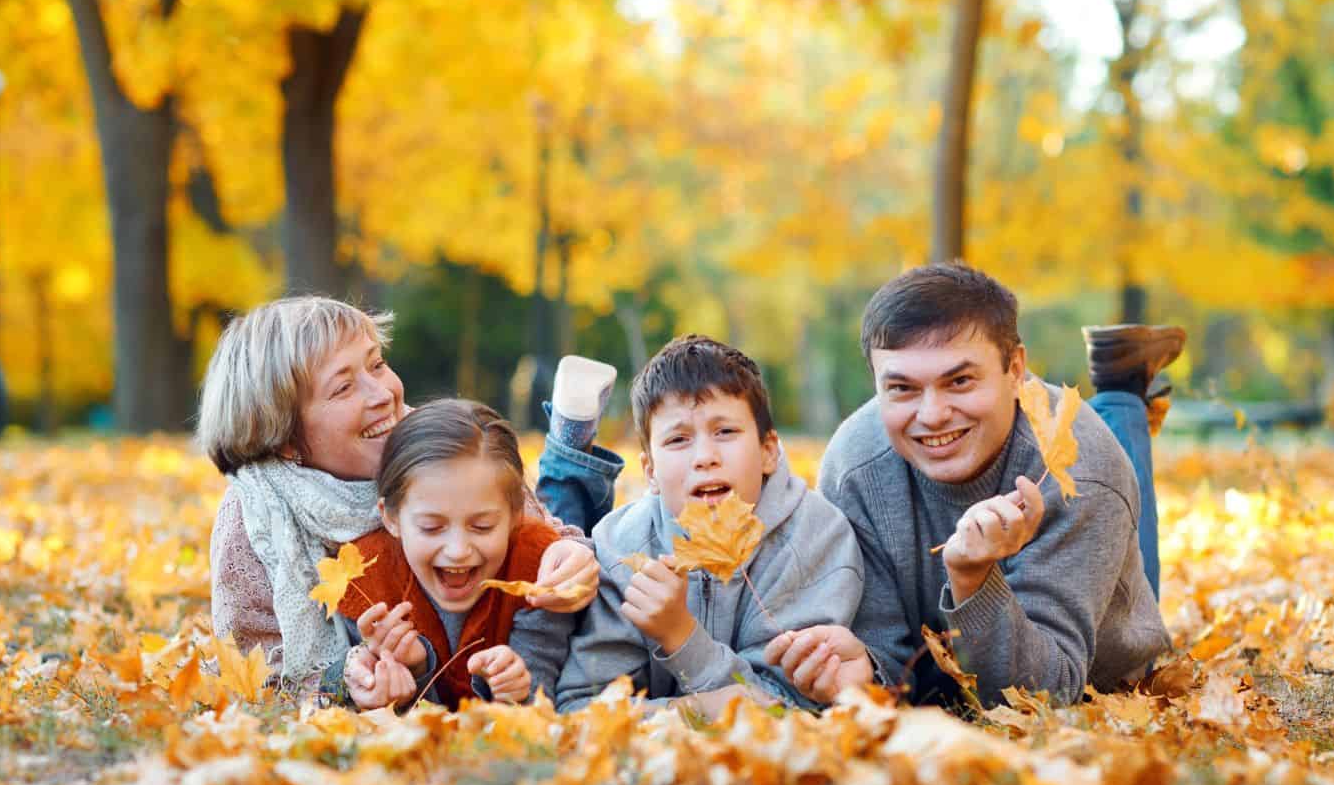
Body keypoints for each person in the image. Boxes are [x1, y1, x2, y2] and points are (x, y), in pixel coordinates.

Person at [766, 263, 1178, 708]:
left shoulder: (1082, 468)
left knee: (1116, 477)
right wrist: (864, 671)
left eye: (959, 381)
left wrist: (974, 579)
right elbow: (886, 652)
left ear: (1015, 369)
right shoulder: (854, 465)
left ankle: (1124, 390)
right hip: (948, 673)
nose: (932, 414)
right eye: (902, 388)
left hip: (1096, 661)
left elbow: (1045, 697)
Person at [199, 296, 617, 694]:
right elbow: (255, 674)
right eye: (343, 388)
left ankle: (568, 449)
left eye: (377, 364)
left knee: (572, 523)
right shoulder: (255, 519)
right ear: (283, 436)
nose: (383, 395)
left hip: (495, 632)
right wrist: (345, 683)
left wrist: (571, 553)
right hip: (433, 666)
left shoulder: (426, 444)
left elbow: (529, 523)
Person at [553, 335, 865, 715]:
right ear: (650, 471)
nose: (705, 457)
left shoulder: (816, 538)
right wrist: (701, 710)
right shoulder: (622, 548)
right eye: (679, 439)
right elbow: (581, 708)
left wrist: (680, 636)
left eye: (725, 432)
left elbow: (786, 711)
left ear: (768, 451)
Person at [336, 400, 575, 708]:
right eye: (432, 527)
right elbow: (338, 689)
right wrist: (411, 673)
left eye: (482, 526)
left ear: (516, 514)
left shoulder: (537, 571)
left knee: (572, 499)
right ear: (391, 518)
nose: (458, 551)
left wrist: (513, 688)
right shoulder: (364, 576)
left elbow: (541, 699)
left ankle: (573, 454)